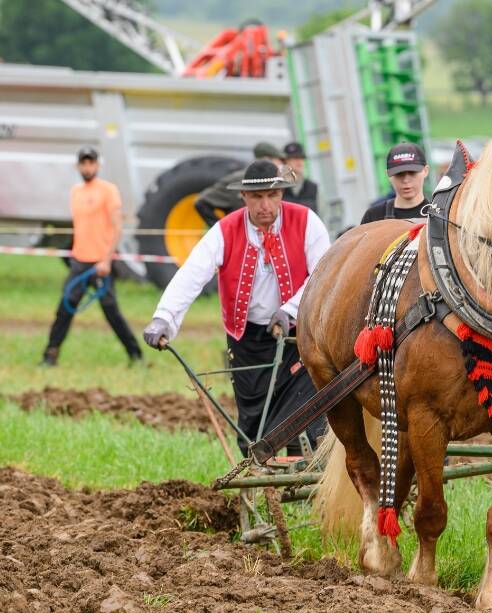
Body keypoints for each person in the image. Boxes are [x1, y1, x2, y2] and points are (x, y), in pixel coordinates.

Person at [143, 161, 331, 455]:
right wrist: (163, 318)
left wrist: (291, 310)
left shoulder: (307, 222)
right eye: (256, 197)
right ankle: (258, 477)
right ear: (243, 196)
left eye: (272, 195)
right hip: (246, 340)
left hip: (297, 336)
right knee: (252, 422)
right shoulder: (225, 230)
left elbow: (322, 273)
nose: (265, 205)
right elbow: (191, 275)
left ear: (282, 193)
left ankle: (298, 477)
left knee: (303, 412)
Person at [41, 147, 144, 367]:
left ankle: (135, 355)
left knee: (111, 312)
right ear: (78, 166)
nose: (87, 167)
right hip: (80, 262)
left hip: (100, 263)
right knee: (64, 309)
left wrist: (106, 259)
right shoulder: (75, 191)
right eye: (84, 163)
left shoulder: (108, 190)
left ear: (97, 165)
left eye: (91, 163)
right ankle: (50, 355)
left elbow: (117, 228)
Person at [194, 142, 285, 227]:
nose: (281, 164)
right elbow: (201, 202)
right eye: (279, 160)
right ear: (267, 159)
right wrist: (223, 229)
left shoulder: (279, 181)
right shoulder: (237, 179)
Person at [359, 143, 430, 224]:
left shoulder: (439, 215)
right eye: (399, 174)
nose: (406, 180)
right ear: (388, 175)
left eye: (412, 172)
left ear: (425, 171)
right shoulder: (373, 217)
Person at [281, 141, 319, 213]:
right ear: (285, 161)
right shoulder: (278, 188)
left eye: (302, 158)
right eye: (294, 158)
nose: (299, 161)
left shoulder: (313, 187)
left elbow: (323, 215)